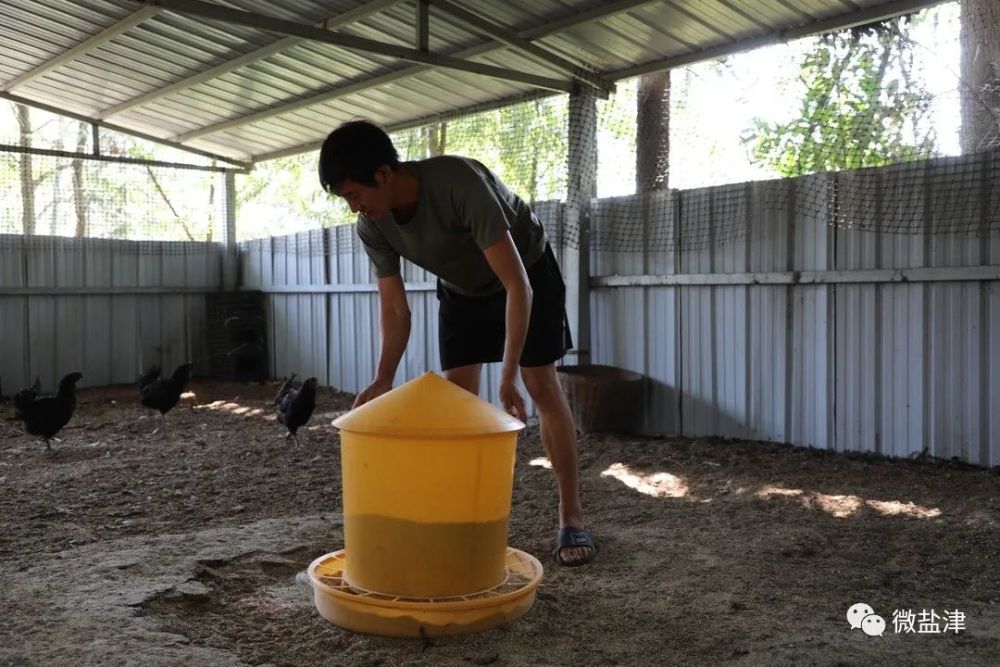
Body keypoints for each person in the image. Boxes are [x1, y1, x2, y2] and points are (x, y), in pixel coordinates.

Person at [318, 120, 596, 567]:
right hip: (462, 288)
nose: (355, 208)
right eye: (347, 199)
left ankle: (571, 513)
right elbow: (394, 310)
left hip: (526, 274)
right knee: (457, 398)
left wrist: (507, 376)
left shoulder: (458, 183)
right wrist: (382, 379)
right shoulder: (374, 227)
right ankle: (461, 517)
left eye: (355, 195)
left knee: (539, 384)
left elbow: (517, 286)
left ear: (384, 174)